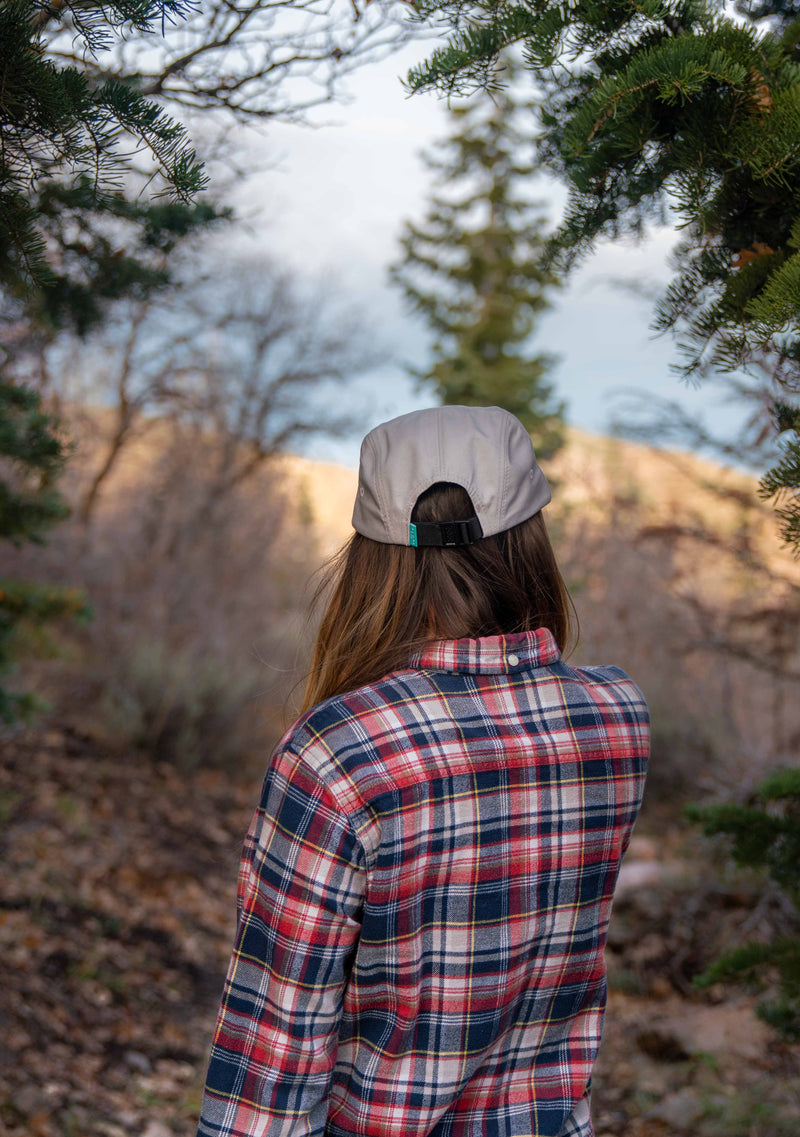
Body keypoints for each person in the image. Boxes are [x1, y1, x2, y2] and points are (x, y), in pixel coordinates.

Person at [196, 405, 650, 1137]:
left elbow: (272, 1063)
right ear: (531, 541)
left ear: (373, 560)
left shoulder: (337, 754)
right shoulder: (617, 715)